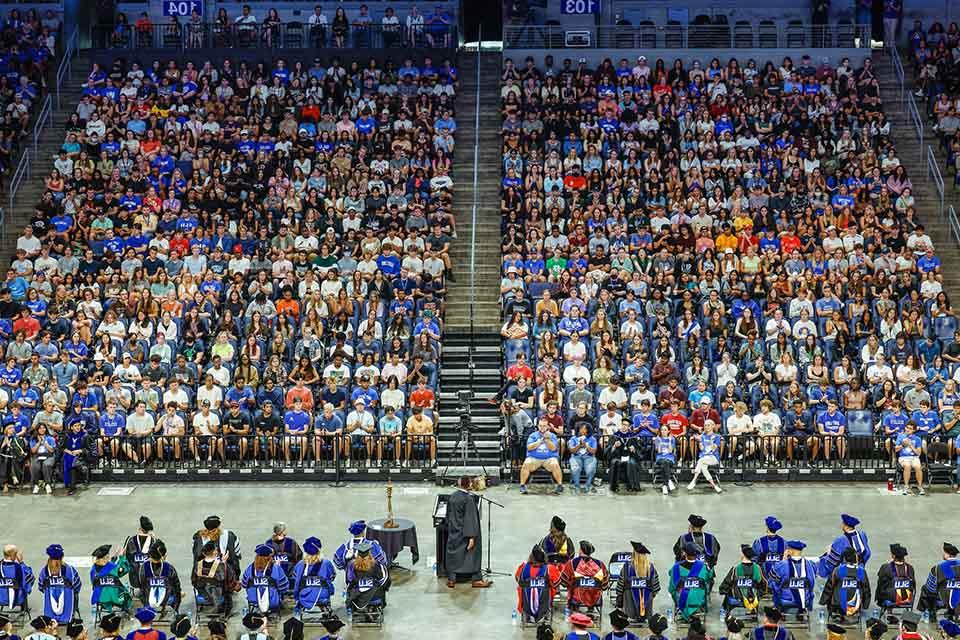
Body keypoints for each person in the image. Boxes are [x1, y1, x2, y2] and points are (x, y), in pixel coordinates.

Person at [444, 475, 492, 588]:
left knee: (453, 554)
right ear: (469, 484)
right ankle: (476, 579)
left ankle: (451, 579)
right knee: (473, 553)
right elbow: (470, 519)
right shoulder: (468, 499)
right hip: (465, 534)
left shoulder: (452, 497)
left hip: (454, 531)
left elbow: (448, 516)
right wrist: (471, 537)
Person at [820, 547, 872, 623]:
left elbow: (829, 588)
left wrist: (823, 601)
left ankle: (837, 614)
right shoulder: (861, 572)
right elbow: (866, 590)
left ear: (844, 558)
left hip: (838, 605)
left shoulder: (837, 570)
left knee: (833, 589)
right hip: (855, 606)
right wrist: (865, 605)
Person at [614, 541, 661, 623]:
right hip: (646, 610)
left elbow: (619, 587)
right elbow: (656, 588)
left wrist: (620, 601)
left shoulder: (627, 567)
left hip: (629, 611)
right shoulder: (650, 568)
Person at [515, 544, 562, 624]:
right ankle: (545, 617)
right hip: (544, 606)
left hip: (526, 606)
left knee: (522, 589)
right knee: (550, 588)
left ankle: (527, 616)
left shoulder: (523, 567)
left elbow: (518, 580)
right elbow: (557, 583)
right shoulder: (549, 568)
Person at [769, 540, 816, 616]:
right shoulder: (810, 565)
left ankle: (780, 613)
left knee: (776, 591)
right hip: (804, 601)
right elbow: (812, 583)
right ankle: (801, 612)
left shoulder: (781, 565)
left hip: (786, 600)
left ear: (790, 551)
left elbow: (772, 584)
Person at [37, 544, 81, 624]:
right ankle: (70, 614)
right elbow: (77, 586)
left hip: (49, 613)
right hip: (68, 612)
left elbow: (41, 587)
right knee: (75, 593)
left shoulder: (44, 572)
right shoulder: (70, 570)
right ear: (62, 557)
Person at [668, 543, 713, 622]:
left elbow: (671, 588)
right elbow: (709, 578)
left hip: (682, 602)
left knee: (674, 588)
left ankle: (682, 610)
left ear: (684, 553)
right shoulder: (704, 567)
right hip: (699, 602)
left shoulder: (676, 567)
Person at [291, 536, 336, 613]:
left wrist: (296, 597)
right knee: (327, 584)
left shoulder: (300, 564)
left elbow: (296, 581)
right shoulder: (326, 563)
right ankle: (325, 609)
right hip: (322, 595)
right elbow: (332, 577)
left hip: (304, 596)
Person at [561, 540, 608, 612]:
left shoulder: (572, 563)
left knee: (573, 584)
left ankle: (575, 609)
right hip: (594, 597)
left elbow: (564, 581)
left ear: (581, 550)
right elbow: (605, 584)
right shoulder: (600, 564)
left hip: (577, 597)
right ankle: (590, 608)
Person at [819, 513, 871, 578]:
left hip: (845, 573)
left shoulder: (841, 540)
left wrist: (828, 553)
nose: (841, 525)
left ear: (846, 527)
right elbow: (868, 553)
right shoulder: (862, 535)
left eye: (843, 523)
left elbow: (831, 564)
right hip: (859, 570)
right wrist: (861, 565)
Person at [519, 418, 564, 495]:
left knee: (555, 464)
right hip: (534, 458)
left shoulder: (552, 436)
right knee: (526, 463)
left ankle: (560, 485)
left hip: (549, 458)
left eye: (544, 426)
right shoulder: (533, 435)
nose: (542, 427)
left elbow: (553, 448)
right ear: (538, 426)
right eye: (540, 426)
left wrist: (547, 439)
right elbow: (529, 447)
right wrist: (539, 441)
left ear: (547, 427)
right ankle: (522, 485)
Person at [918, 542, 960, 622]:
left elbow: (931, 589)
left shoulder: (938, 568)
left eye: (944, 552)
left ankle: (929, 613)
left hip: (944, 601)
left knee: (925, 589)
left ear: (947, 554)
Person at [241, 545, 289, 614]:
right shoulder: (276, 569)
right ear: (270, 557)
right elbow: (284, 587)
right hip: (272, 602)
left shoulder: (249, 569)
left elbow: (244, 585)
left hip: (253, 601)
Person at [718, 545, 766, 614]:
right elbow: (763, 585)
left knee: (728, 591)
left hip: (738, 598)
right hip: (753, 599)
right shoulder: (758, 569)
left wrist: (722, 591)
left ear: (743, 555)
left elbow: (725, 584)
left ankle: (724, 611)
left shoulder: (735, 569)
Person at [345, 542, 389, 615]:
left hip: (358, 597)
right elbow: (384, 579)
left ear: (358, 554)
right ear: (369, 553)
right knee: (381, 587)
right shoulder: (377, 564)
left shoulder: (351, 565)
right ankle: (372, 607)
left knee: (351, 589)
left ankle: (359, 607)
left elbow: (348, 581)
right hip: (375, 595)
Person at [137, 540, 181, 613]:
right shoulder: (169, 568)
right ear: (163, 556)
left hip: (148, 601)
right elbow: (177, 587)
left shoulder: (143, 568)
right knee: (177, 592)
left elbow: (141, 585)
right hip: (166, 601)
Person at [191, 541, 234, 616]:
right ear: (215, 552)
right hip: (217, 594)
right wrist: (224, 563)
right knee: (228, 591)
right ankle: (225, 612)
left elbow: (193, 580)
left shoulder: (198, 564)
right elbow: (224, 578)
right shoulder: (219, 565)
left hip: (202, 593)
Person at [123, 516, 162, 592]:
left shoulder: (130, 540)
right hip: (149, 581)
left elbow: (126, 559)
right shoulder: (154, 541)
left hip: (134, 581)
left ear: (140, 528)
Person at [89, 544, 132, 613]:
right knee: (126, 595)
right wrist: (122, 557)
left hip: (100, 599)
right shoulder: (113, 568)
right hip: (116, 599)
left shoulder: (93, 570)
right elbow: (124, 569)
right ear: (105, 558)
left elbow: (106, 569)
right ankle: (125, 608)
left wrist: (114, 557)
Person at [607, 419, 644, 493]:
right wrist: (614, 446)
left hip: (630, 456)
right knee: (615, 462)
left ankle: (632, 486)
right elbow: (608, 449)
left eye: (626, 425)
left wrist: (634, 450)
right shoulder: (615, 435)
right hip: (618, 456)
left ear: (629, 427)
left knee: (632, 463)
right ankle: (614, 486)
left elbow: (639, 449)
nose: (624, 426)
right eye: (623, 424)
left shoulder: (633, 436)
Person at [876, 543, 916, 612]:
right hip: (907, 598)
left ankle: (888, 610)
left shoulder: (886, 567)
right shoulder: (910, 568)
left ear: (893, 556)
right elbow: (913, 585)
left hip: (891, 599)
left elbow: (880, 584)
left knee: (884, 588)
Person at [687, 420, 723, 493]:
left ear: (713, 426)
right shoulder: (703, 436)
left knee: (701, 461)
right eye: (705, 425)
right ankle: (714, 485)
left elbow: (713, 449)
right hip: (704, 457)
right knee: (703, 466)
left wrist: (711, 441)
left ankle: (694, 480)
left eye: (708, 425)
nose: (706, 427)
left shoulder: (717, 436)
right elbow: (702, 449)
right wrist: (700, 442)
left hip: (713, 457)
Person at [0, 544, 34, 611]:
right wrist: (21, 562)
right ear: (14, 556)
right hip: (18, 599)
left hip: (0, 598)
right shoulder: (20, 568)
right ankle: (24, 608)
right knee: (23, 585)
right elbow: (29, 578)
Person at [896, 422, 926, 494]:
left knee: (918, 466)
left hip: (914, 457)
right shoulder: (900, 437)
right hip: (903, 457)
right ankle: (906, 486)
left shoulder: (917, 439)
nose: (908, 430)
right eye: (907, 428)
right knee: (907, 466)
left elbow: (919, 453)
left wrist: (911, 445)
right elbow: (896, 449)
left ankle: (920, 486)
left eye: (910, 429)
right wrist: (903, 445)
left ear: (914, 430)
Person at [752, 516, 786, 581]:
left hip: (763, 579)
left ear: (767, 527)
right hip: (779, 580)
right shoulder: (784, 543)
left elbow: (754, 561)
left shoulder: (759, 542)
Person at [568, 422, 598, 493]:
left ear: (588, 430)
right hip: (576, 456)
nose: (583, 430)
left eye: (585, 429)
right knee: (575, 469)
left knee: (590, 469)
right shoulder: (573, 439)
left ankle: (588, 485)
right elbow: (572, 451)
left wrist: (586, 446)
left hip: (589, 457)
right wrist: (579, 445)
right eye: (581, 428)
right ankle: (576, 486)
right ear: (578, 429)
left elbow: (593, 451)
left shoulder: (592, 439)